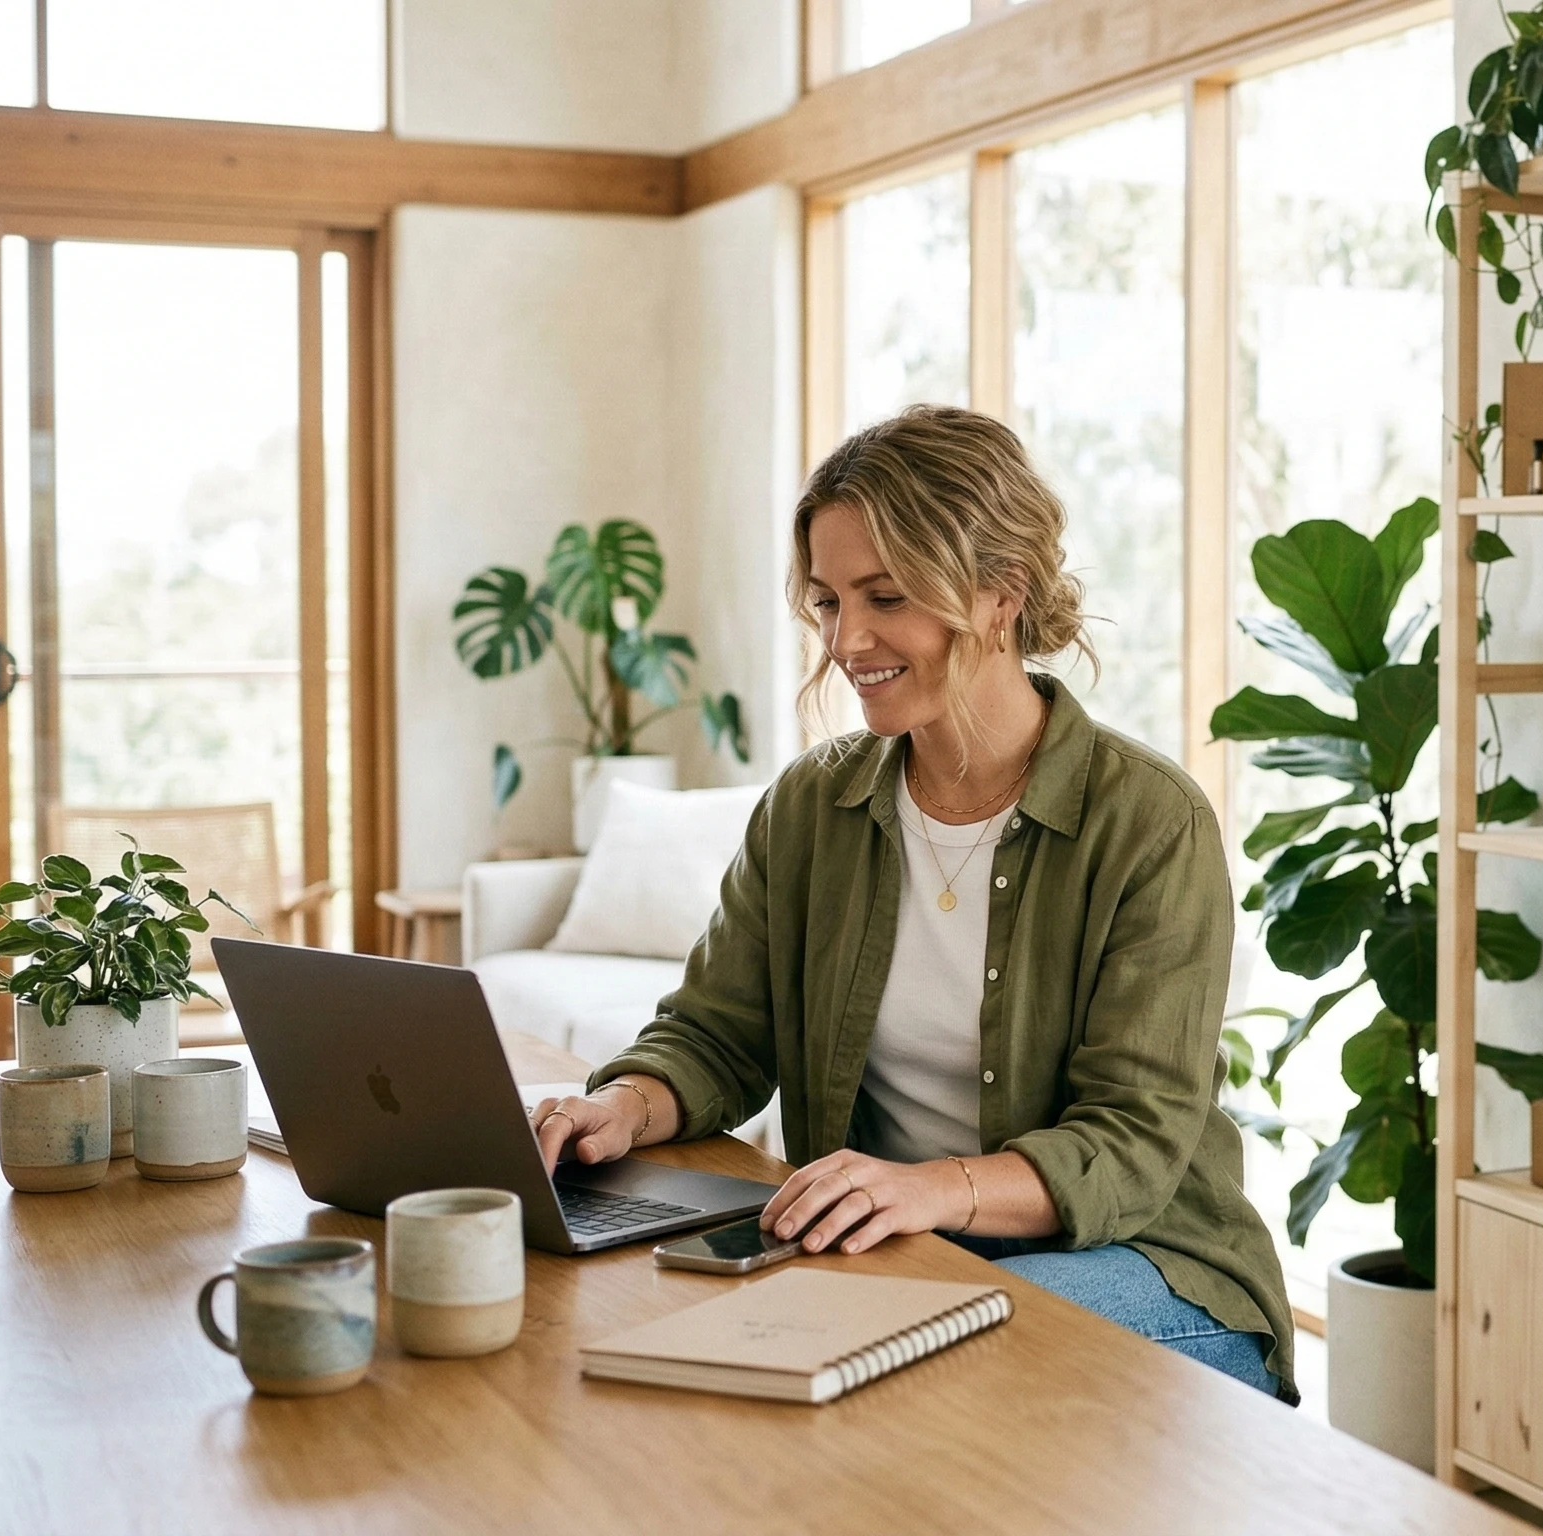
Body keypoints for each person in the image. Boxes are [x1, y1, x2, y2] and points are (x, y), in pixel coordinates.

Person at [528, 405, 1292, 1399]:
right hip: (904, 1260)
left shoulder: (1148, 824)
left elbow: (1129, 1148)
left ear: (998, 594)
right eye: (828, 601)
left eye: (884, 597)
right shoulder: (813, 806)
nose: (847, 640)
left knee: (904, 1373)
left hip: (1152, 1263)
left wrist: (925, 1192)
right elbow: (719, 1036)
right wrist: (620, 1107)